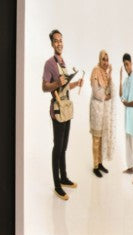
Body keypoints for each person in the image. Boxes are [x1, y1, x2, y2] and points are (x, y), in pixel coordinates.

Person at [42, 29, 83, 200]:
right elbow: (44, 87)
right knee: (57, 147)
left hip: (66, 108)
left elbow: (63, 87)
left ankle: (64, 177)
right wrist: (56, 82)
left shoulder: (63, 62)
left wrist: (75, 83)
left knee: (64, 146)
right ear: (52, 44)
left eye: (61, 40)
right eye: (56, 41)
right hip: (58, 110)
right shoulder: (49, 63)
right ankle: (57, 185)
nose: (59, 43)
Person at [89, 49, 113, 178]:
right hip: (96, 108)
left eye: (107, 60)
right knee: (96, 138)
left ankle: (100, 163)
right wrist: (106, 96)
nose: (105, 62)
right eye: (103, 59)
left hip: (103, 109)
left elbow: (109, 89)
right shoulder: (95, 71)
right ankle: (95, 166)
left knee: (102, 137)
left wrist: (110, 74)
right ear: (100, 59)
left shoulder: (105, 73)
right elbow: (96, 91)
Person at [119, 53, 133, 185]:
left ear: (131, 63)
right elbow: (122, 96)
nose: (126, 67)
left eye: (127, 64)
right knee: (127, 143)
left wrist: (127, 103)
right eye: (124, 65)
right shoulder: (126, 81)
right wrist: (120, 76)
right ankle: (130, 167)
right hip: (127, 117)